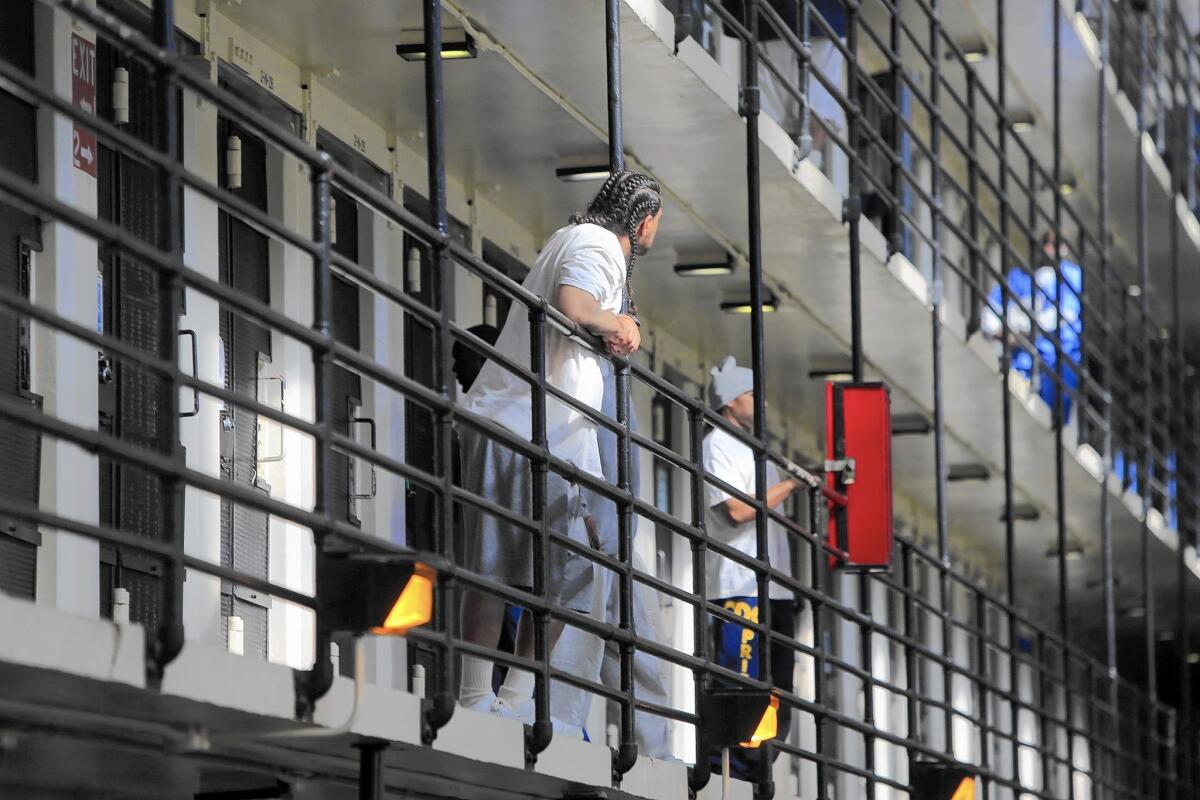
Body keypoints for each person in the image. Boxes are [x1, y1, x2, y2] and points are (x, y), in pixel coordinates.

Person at [457, 171, 664, 725]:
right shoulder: (596, 243)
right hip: (525, 427)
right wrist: (617, 322)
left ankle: (504, 699)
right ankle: (488, 698)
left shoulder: (574, 239)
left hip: (543, 429)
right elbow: (574, 305)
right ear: (644, 220)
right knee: (518, 568)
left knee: (547, 571)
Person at [549, 365, 672, 759]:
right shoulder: (577, 366)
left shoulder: (613, 375)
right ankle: (561, 728)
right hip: (590, 529)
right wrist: (583, 512)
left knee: (641, 653)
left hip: (619, 532)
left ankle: (654, 747)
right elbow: (570, 441)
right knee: (577, 642)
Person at [703, 355, 803, 780]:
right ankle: (732, 773)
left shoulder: (756, 452)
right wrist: (794, 482)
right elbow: (738, 511)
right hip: (738, 586)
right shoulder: (716, 446)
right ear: (729, 403)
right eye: (749, 395)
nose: (758, 403)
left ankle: (758, 768)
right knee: (740, 683)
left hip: (774, 589)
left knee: (778, 689)